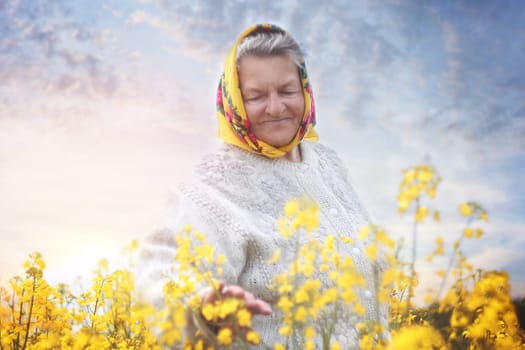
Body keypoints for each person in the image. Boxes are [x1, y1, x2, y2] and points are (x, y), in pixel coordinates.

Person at [138, 23, 388, 348]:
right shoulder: (214, 184)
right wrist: (202, 305)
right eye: (256, 96)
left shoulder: (328, 164)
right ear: (233, 101)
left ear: (305, 91)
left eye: (287, 91)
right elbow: (162, 271)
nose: (275, 108)